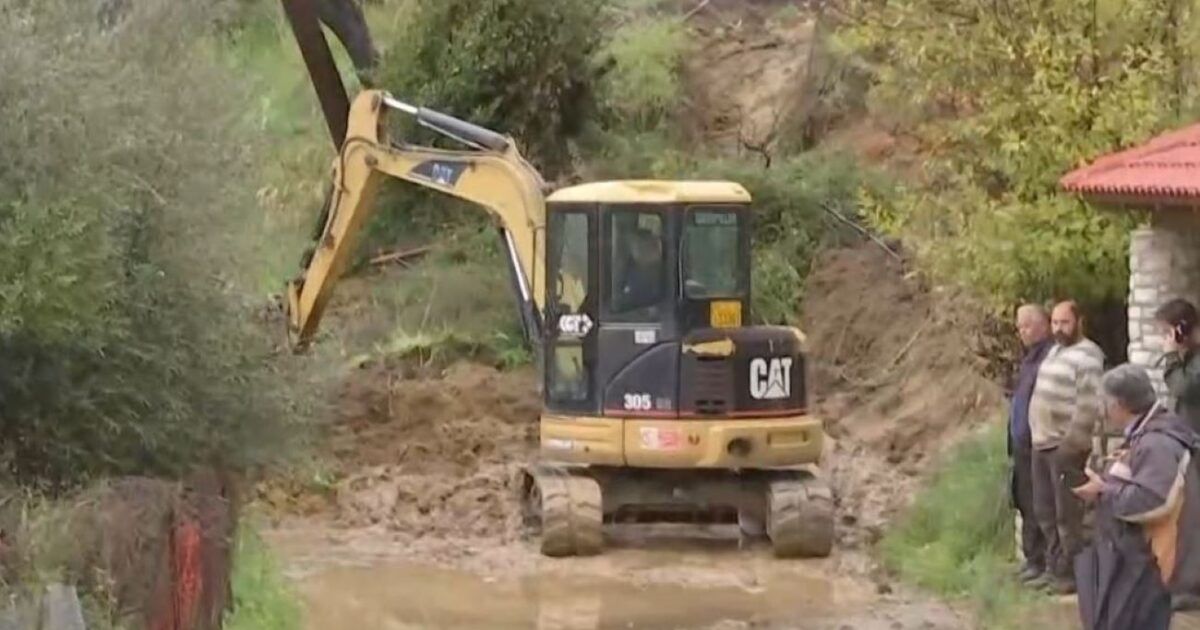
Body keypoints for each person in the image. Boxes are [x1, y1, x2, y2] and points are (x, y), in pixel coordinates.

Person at [1072, 364, 1200, 623]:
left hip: (1149, 568)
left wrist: (1103, 491)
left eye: (1105, 401)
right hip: (1140, 563)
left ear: (1119, 404)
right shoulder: (1148, 434)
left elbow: (1152, 500)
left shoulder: (1158, 443)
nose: (1103, 408)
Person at [1027, 300, 1106, 594]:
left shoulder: (1088, 356)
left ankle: (1070, 574)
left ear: (1079, 322)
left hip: (1064, 447)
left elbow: (1088, 407)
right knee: (1044, 510)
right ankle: (1053, 567)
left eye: (1065, 323)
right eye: (1056, 323)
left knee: (1066, 515)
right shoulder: (1055, 351)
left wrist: (1071, 448)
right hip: (1042, 443)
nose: (1059, 329)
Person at [1008, 304, 1054, 585]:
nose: (1022, 331)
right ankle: (1032, 559)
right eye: (1020, 326)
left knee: (1040, 504)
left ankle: (1044, 563)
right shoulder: (1029, 359)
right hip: (1022, 443)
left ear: (1043, 325)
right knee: (1025, 501)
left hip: (1037, 442)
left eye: (1027, 325)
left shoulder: (1048, 358)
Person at [1155, 298, 1200, 435]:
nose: (1163, 340)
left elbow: (1183, 387)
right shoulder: (1190, 357)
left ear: (1181, 331)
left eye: (1166, 333)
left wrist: (1171, 356)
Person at [615, 228, 663, 312]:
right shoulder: (626, 270)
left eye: (649, 246)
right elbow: (618, 301)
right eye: (638, 246)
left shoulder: (667, 273)